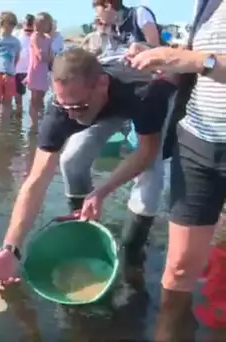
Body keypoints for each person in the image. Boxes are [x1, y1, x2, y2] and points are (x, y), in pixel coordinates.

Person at [0, 48, 176, 292]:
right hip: (102, 107)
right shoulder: (62, 110)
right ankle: (85, 226)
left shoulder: (145, 91)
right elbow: (36, 181)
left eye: (78, 106)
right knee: (71, 159)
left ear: (102, 84)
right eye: (64, 107)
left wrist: (102, 191)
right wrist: (10, 248)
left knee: (150, 178)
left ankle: (133, 258)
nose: (70, 115)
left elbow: (145, 152)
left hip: (148, 98)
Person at [125, 1, 226, 339]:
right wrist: (162, 55)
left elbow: (203, 61)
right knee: (179, 268)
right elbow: (202, 57)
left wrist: (193, 61)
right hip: (198, 141)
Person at [0, 11, 21, 116]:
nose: (11, 26)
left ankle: (5, 129)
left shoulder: (16, 41)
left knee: (7, 103)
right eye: (9, 23)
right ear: (2, 23)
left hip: (9, 74)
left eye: (13, 24)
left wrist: (11, 68)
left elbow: (17, 57)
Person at [26, 12, 53, 132]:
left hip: (43, 71)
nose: (49, 26)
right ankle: (33, 124)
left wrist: (47, 57)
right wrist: (47, 57)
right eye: (47, 23)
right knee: (34, 98)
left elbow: (50, 57)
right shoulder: (34, 36)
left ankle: (41, 122)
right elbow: (40, 56)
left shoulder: (48, 38)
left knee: (41, 97)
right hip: (35, 70)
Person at [93, 0, 161, 46]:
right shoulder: (112, 29)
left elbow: (155, 48)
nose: (96, 15)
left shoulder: (139, 14)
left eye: (96, 10)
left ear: (107, 6)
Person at [14, 14, 33, 115]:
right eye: (27, 30)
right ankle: (18, 119)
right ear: (23, 25)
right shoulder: (16, 34)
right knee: (18, 97)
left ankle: (35, 122)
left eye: (31, 30)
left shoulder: (37, 36)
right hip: (18, 70)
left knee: (36, 99)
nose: (29, 33)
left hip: (32, 70)